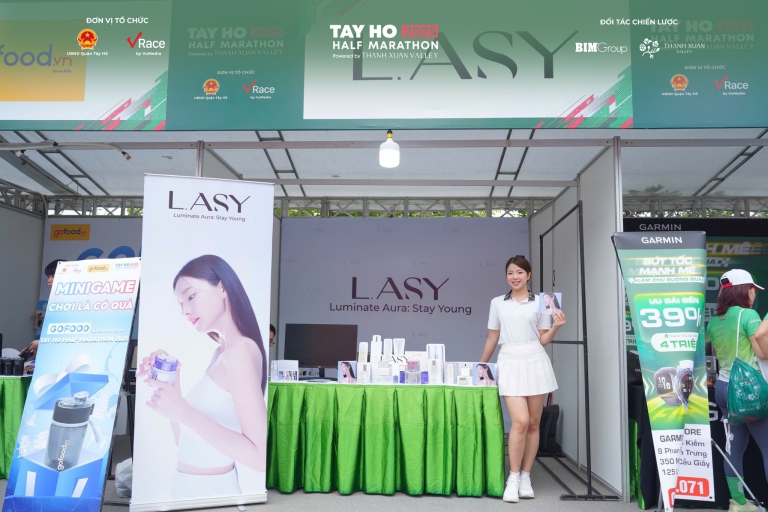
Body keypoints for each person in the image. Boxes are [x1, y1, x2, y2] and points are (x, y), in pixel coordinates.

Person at [138, 255, 267, 500]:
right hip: (187, 489)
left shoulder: (239, 353)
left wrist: (185, 412)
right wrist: (169, 382)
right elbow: (187, 444)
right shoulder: (221, 353)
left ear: (222, 287)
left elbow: (260, 458)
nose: (185, 311)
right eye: (180, 304)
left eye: (190, 296)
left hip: (212, 494)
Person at [479, 255, 566, 503]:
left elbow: (542, 339)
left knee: (534, 423)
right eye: (510, 272)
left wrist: (556, 326)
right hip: (509, 360)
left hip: (535, 360)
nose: (514, 277)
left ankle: (526, 476)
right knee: (520, 421)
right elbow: (492, 338)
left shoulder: (543, 301)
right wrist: (481, 367)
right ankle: (513, 477)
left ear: (529, 275)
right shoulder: (497, 302)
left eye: (519, 272)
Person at [707, 269, 768, 512]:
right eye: (752, 288)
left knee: (734, 446)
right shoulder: (748, 315)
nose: (754, 293)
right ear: (743, 290)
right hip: (747, 390)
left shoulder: (714, 321)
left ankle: (738, 503)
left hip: (723, 389)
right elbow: (763, 353)